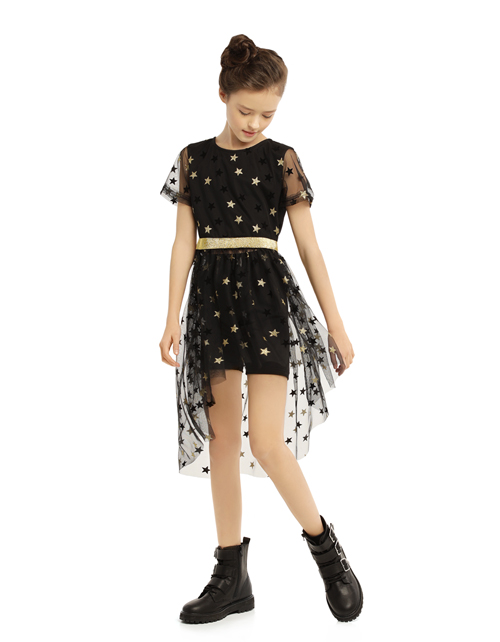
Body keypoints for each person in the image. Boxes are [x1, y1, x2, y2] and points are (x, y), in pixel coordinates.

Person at [159, 34, 363, 625]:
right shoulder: (193, 159)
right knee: (223, 441)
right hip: (211, 305)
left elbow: (310, 247)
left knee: (268, 442)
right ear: (222, 95)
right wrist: (169, 316)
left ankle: (327, 552)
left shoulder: (282, 160)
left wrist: (335, 324)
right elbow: (182, 244)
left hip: (267, 303)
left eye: (267, 114)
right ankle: (231, 576)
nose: (254, 124)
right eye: (245, 110)